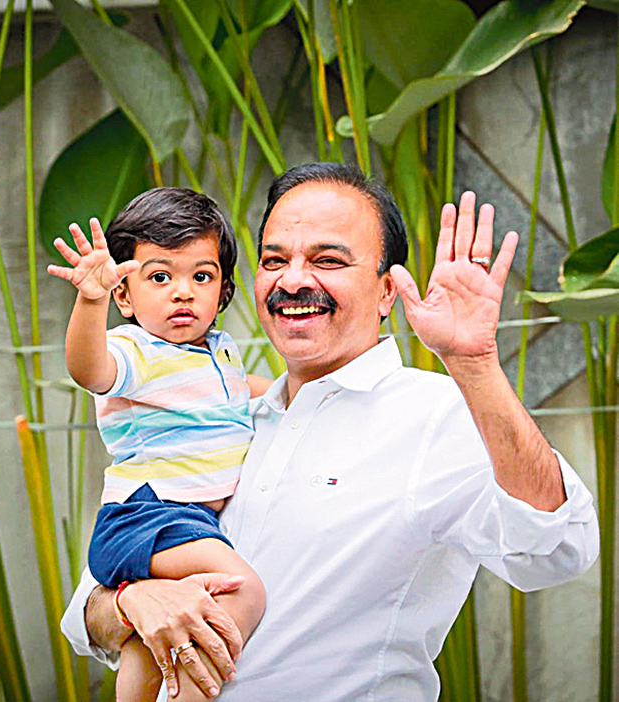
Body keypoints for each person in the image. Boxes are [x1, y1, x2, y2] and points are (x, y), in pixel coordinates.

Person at [62, 163, 599, 702]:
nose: (293, 280)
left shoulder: (434, 414)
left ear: (387, 291)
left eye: (327, 260)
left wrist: (475, 364)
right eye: (275, 260)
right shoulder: (226, 416)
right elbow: (89, 611)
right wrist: (134, 600)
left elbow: (559, 547)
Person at [49, 188, 267, 702]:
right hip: (150, 514)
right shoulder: (136, 351)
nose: (183, 292)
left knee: (148, 646)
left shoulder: (221, 352)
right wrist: (91, 300)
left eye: (202, 276)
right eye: (160, 276)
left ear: (223, 290)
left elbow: (255, 393)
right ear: (126, 295)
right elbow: (89, 369)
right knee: (242, 591)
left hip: (181, 521)